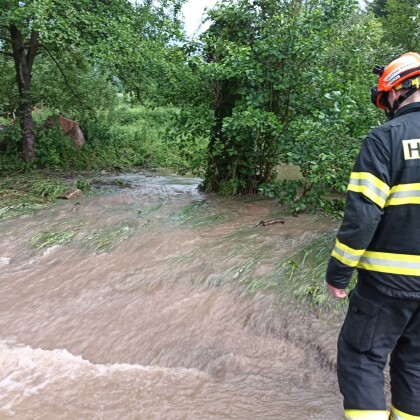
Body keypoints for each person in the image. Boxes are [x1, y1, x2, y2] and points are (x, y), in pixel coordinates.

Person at [326, 52, 420, 420]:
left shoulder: (386, 138)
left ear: (399, 89)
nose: (387, 107)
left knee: (360, 356)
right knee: (414, 364)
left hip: (387, 284)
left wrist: (339, 271)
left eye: (387, 99)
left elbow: (363, 215)